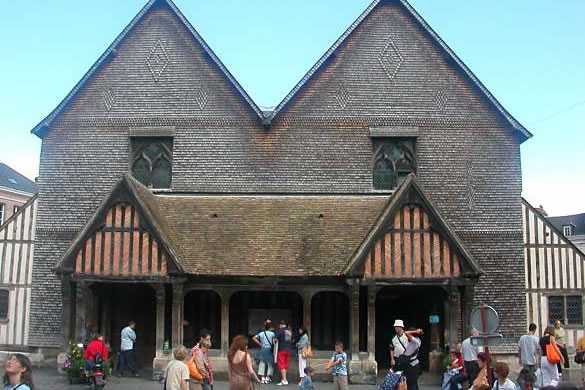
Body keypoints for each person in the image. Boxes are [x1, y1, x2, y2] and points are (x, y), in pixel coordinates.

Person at [275, 320, 293, 386]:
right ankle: (284, 379)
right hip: (288, 350)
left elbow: (275, 340)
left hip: (281, 350)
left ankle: (284, 380)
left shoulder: (280, 331)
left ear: (281, 325)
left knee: (282, 365)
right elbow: (288, 340)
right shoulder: (288, 331)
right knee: (285, 364)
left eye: (279, 325)